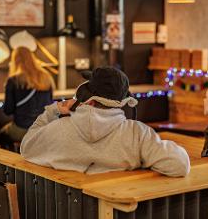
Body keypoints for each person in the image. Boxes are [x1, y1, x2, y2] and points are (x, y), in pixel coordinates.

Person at [20, 67, 190, 177]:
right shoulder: (137, 134)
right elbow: (180, 164)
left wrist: (54, 110)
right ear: (122, 102)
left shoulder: (57, 129)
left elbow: (26, 147)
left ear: (89, 100)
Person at [1, 47, 54, 143]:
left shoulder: (14, 80)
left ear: (15, 61)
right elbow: (50, 103)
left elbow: (8, 110)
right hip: (44, 129)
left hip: (22, 130)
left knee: (2, 133)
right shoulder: (46, 77)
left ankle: (14, 157)